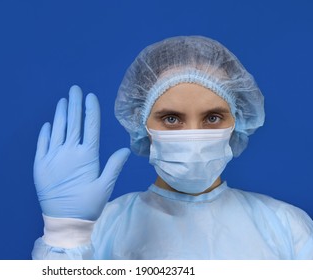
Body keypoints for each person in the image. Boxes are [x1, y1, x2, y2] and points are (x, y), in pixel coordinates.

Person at [31, 36, 313, 259]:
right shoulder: (100, 229)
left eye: (212, 118)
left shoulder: (286, 228)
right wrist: (65, 234)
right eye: (171, 118)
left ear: (237, 122)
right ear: (143, 125)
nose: (192, 135)